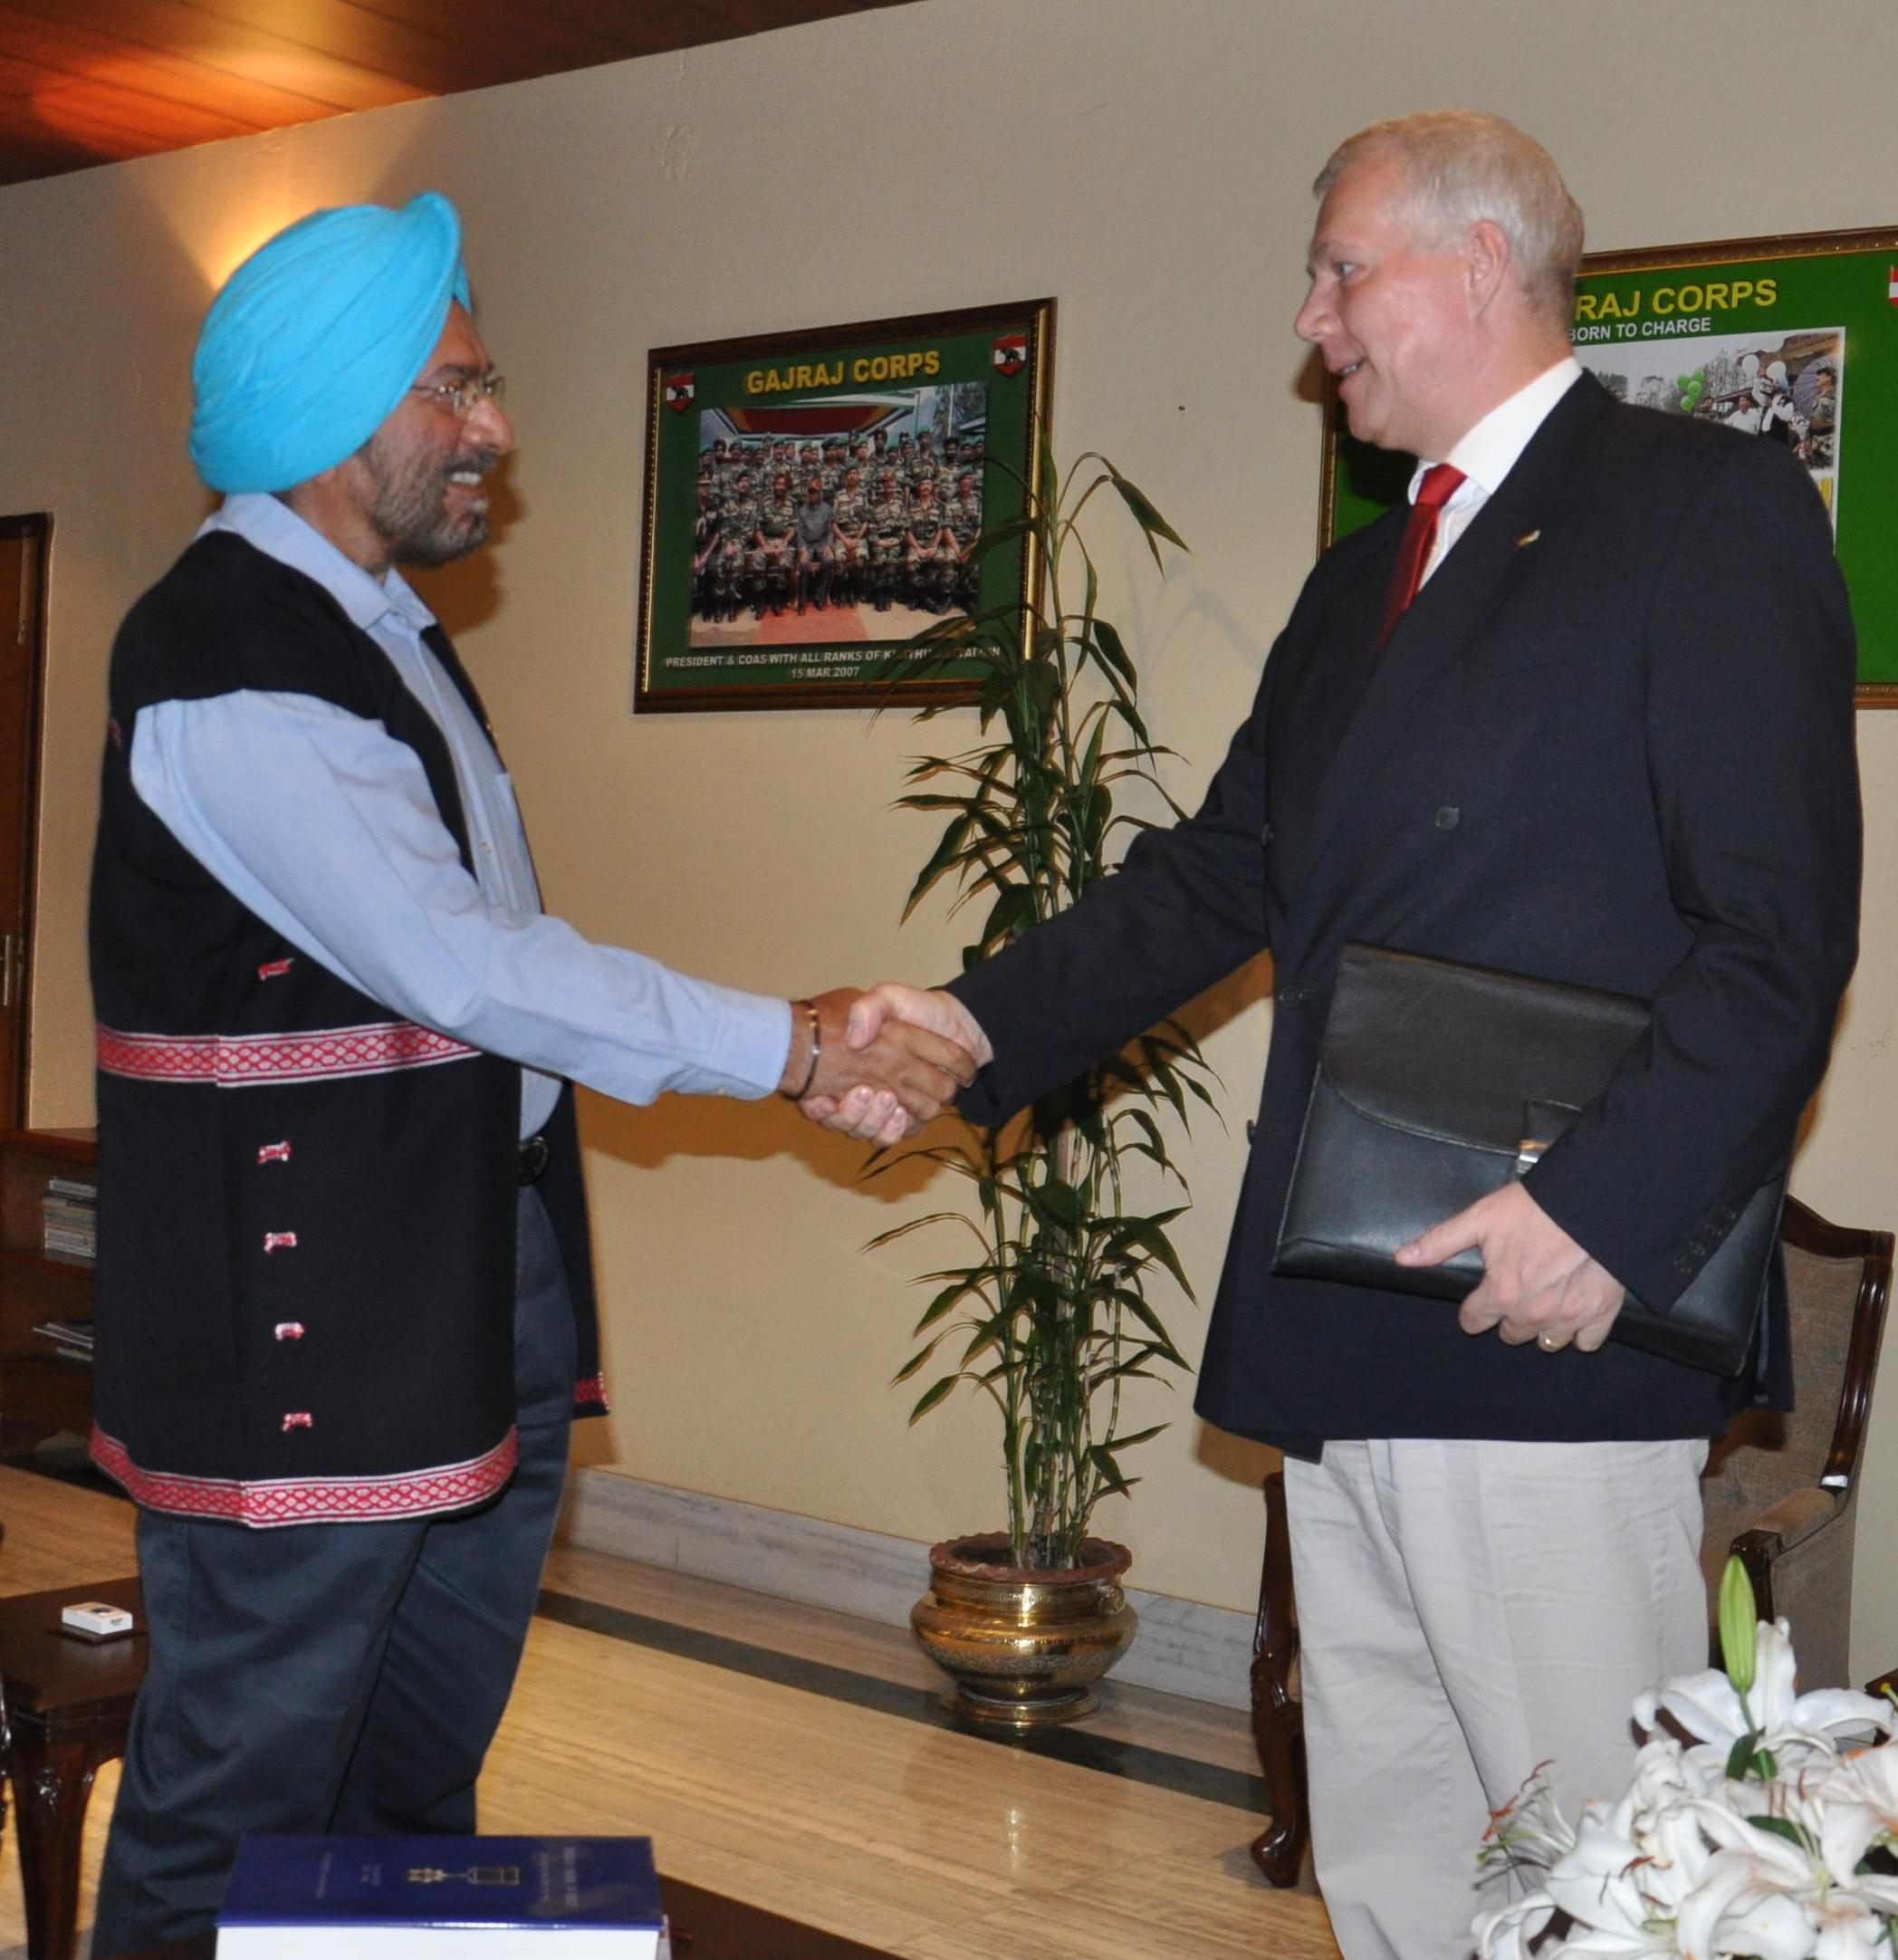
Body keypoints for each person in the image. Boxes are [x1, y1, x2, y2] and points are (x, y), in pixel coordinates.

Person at [817, 111, 1860, 1960]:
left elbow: (1776, 940)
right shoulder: (1358, 580)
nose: (1311, 321)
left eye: (1339, 271)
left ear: (1476, 263)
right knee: (1390, 1851)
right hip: (1346, 1300)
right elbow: (1220, 877)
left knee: (1606, 1860)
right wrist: (970, 1021)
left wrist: (1598, 1217)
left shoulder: (1706, 508)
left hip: (1550, 1304)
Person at [86, 191, 972, 1953]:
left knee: (407, 1794)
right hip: (307, 1348)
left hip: (459, 1296)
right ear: (341, 410)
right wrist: (792, 1045)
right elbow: (469, 964)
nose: (497, 430)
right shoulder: (226, 658)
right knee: (240, 1801)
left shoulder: (386, 630)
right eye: (462, 390)